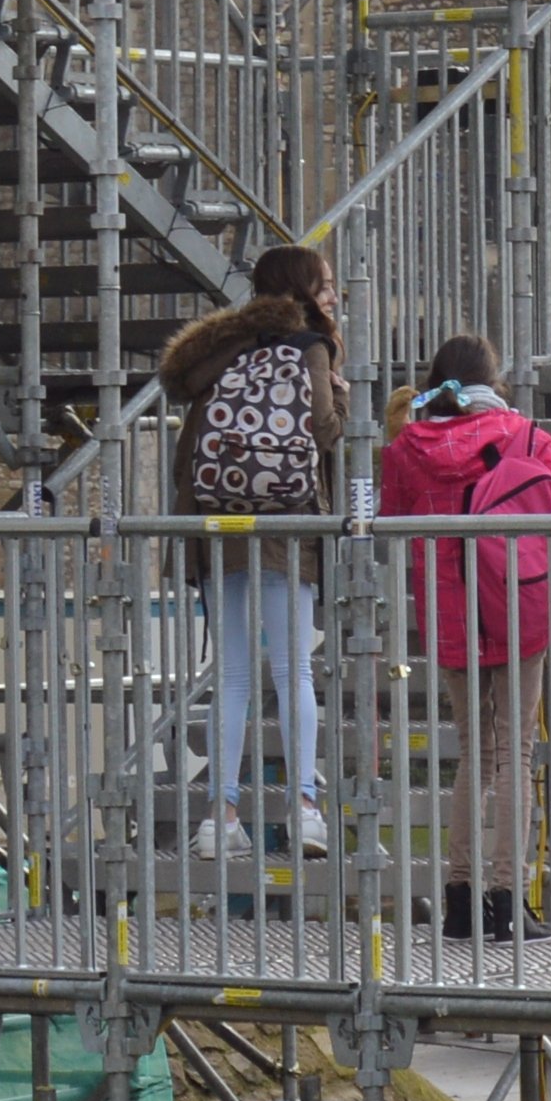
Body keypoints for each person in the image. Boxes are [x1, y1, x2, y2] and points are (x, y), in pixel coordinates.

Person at [377, 334, 551, 938]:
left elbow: (390, 523)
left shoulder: (404, 448)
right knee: (514, 754)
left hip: (447, 615)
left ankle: (460, 900)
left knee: (472, 753)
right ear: (492, 380)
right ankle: (507, 897)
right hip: (515, 605)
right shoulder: (523, 437)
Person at [154, 246, 350, 875]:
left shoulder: (220, 350)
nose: (335, 296)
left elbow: (192, 447)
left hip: (219, 527)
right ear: (303, 290)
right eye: (327, 285)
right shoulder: (308, 347)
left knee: (233, 675)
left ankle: (220, 818)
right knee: (293, 670)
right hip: (286, 524)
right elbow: (321, 428)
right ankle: (306, 806)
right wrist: (342, 402)